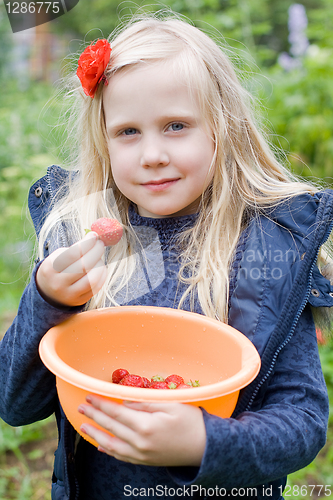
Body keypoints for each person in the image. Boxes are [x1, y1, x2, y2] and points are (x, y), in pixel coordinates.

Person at [1, 12, 333, 500]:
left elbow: (302, 422)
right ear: (104, 140)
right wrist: (46, 298)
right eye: (128, 132)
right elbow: (15, 404)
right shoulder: (82, 240)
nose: (152, 153)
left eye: (175, 126)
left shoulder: (267, 250)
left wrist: (203, 442)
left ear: (221, 129)